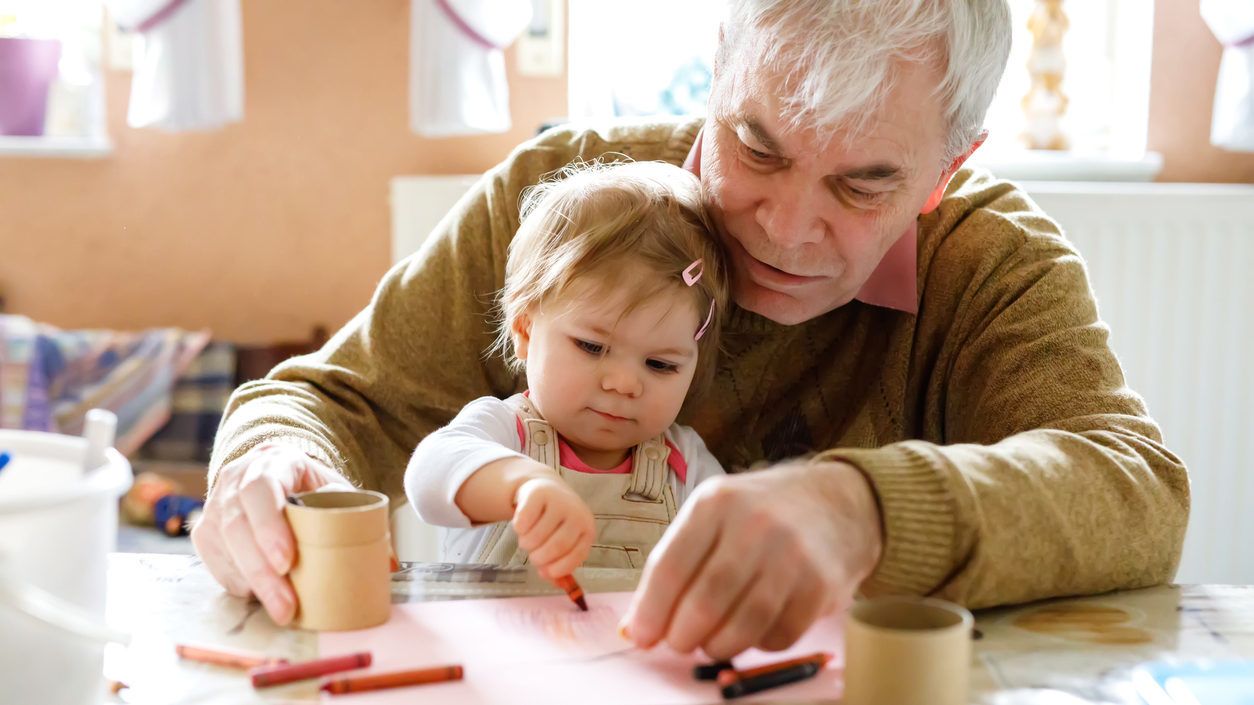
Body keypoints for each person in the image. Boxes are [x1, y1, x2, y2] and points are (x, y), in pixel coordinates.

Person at [192, 0, 1189, 661]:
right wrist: (272, 460)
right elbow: (328, 399)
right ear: (718, 69)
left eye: (864, 183)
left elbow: (1135, 492)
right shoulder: (573, 204)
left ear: (947, 170)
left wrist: (865, 509)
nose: (787, 229)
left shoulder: (992, 265)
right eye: (756, 144)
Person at [404, 160, 730, 579]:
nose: (624, 383)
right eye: (592, 347)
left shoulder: (682, 463)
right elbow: (428, 478)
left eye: (660, 364)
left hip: (630, 643)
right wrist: (520, 485)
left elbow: (738, 543)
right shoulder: (505, 431)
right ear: (525, 330)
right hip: (502, 643)